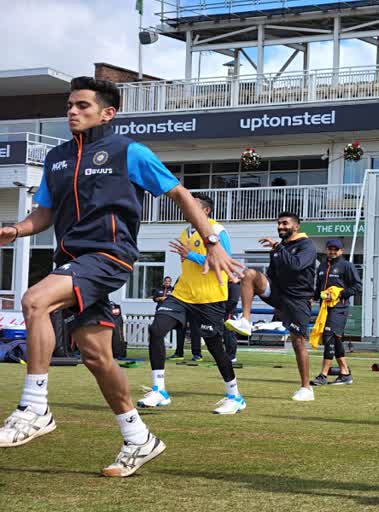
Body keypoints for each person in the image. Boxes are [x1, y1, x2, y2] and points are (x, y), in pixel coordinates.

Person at [0, 76, 241, 478]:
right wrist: (16, 230)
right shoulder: (57, 158)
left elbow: (181, 194)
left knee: (34, 300)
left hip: (108, 255)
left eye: (82, 106)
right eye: (69, 106)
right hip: (72, 259)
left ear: (107, 113)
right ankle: (139, 438)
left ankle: (35, 407)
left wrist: (212, 240)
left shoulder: (129, 152)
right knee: (96, 357)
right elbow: (42, 214)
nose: (72, 112)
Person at [138, 193, 245, 415]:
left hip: (210, 298)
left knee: (215, 347)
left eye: (192, 205)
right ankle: (160, 390)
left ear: (205, 211)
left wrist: (191, 256)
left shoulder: (217, 230)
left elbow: (224, 262)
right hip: (183, 294)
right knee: (157, 329)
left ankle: (235, 395)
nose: (186, 207)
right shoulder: (185, 232)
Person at [226, 212, 317, 401]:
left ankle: (306, 388)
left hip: (298, 299)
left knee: (298, 341)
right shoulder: (278, 248)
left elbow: (296, 266)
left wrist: (277, 247)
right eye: (278, 224)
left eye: (285, 223)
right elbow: (273, 275)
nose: (281, 227)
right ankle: (245, 321)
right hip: (279, 295)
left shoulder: (307, 245)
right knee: (249, 273)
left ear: (296, 226)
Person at [309, 239, 362, 386]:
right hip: (324, 309)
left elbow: (358, 287)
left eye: (335, 249)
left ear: (341, 251)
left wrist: (340, 294)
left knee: (328, 337)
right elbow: (319, 288)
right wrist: (312, 298)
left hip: (340, 308)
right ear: (326, 250)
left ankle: (323, 375)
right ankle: (345, 373)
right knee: (336, 339)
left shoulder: (346, 266)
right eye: (330, 249)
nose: (332, 252)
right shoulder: (322, 266)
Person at [152, 276, 186, 361]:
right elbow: (154, 298)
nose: (167, 282)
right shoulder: (158, 289)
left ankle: (179, 352)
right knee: (157, 332)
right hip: (161, 312)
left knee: (180, 332)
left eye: (168, 281)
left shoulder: (174, 290)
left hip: (173, 314)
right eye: (165, 281)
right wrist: (160, 298)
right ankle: (158, 353)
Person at [223, 281, 241, 363]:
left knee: (229, 335)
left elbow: (233, 301)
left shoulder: (234, 286)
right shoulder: (227, 285)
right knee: (226, 335)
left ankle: (231, 356)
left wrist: (223, 309)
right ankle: (228, 354)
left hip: (230, 313)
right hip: (225, 313)